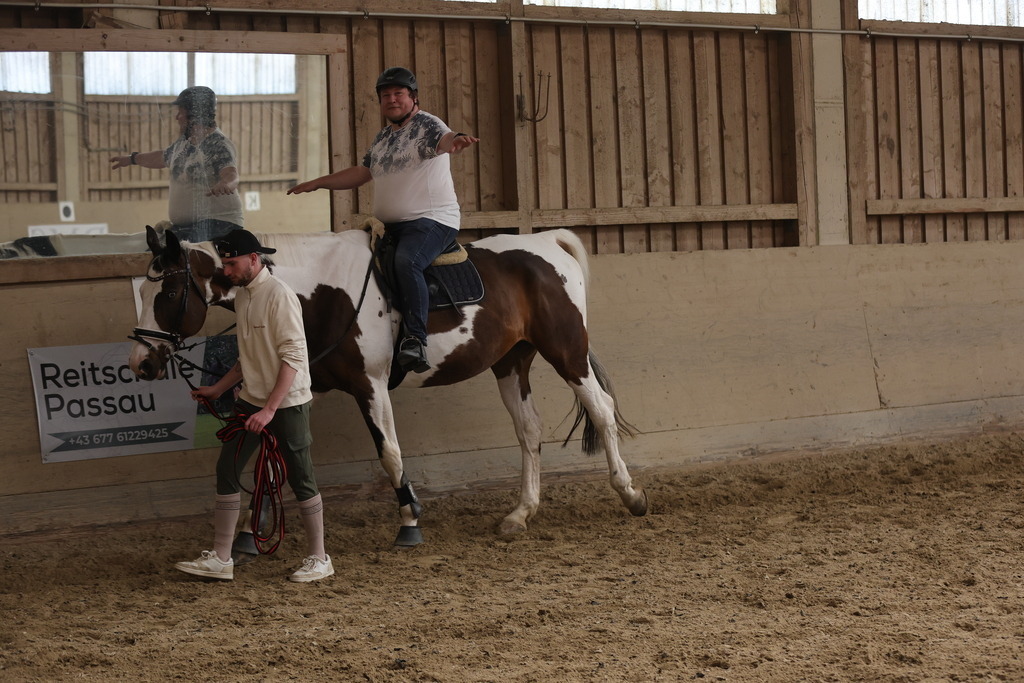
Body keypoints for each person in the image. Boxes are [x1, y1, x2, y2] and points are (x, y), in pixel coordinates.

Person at [287, 67, 478, 373]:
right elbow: (363, 173)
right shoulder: (383, 138)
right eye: (386, 95)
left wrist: (455, 140)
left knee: (407, 262)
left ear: (412, 98)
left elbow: (445, 138)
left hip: (431, 221)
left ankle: (416, 339)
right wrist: (319, 182)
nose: (392, 100)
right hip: (393, 226)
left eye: (398, 94)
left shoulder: (427, 124)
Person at [175, 228, 333, 583]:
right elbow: (247, 358)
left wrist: (269, 410)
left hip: (287, 404)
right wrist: (217, 389)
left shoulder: (280, 296)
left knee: (302, 478)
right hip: (251, 400)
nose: (226, 272)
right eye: (224, 265)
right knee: (227, 468)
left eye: (231, 264)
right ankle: (221, 557)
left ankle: (320, 557)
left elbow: (293, 357)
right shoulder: (243, 297)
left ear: (253, 259)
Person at [110, 86, 244, 242]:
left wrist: (226, 184)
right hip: (190, 227)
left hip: (219, 224)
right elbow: (162, 157)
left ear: (195, 115)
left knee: (181, 256)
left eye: (181, 112)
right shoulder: (184, 143)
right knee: (155, 255)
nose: (177, 117)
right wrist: (132, 159)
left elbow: (231, 173)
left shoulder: (217, 144)